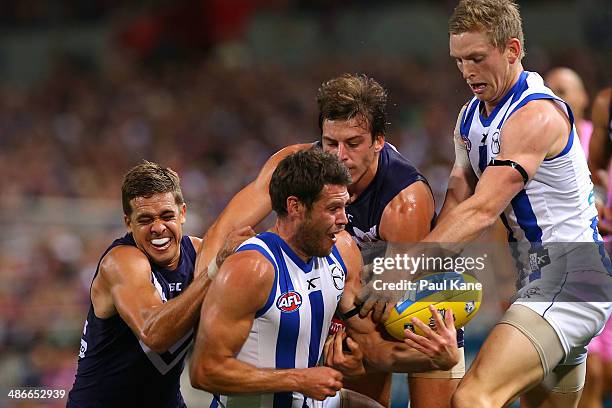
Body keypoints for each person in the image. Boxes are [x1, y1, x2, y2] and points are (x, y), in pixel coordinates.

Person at [193, 73, 464, 407]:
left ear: (378, 140)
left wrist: (376, 351)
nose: (338, 156)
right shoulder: (296, 167)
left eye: (352, 144)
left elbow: (389, 306)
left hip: (416, 311)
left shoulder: (403, 202)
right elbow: (223, 229)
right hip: (349, 295)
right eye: (330, 143)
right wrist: (202, 294)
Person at [399, 1, 612, 407]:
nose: (466, 71)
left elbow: (482, 210)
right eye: (459, 60)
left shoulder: (536, 115)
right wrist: (428, 273)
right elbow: (459, 197)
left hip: (568, 281)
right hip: (546, 283)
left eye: (477, 58)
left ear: (512, 50)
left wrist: (399, 270)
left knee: (472, 397)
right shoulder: (469, 117)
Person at [67, 161, 251, 408]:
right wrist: (214, 270)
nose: (158, 228)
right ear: (128, 223)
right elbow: (154, 334)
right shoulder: (122, 261)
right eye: (145, 219)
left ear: (182, 213)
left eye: (167, 216)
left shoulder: (198, 254)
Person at [581, 87, 612, 408]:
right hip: (599, 263)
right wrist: (599, 203)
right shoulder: (607, 104)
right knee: (591, 369)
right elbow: (597, 170)